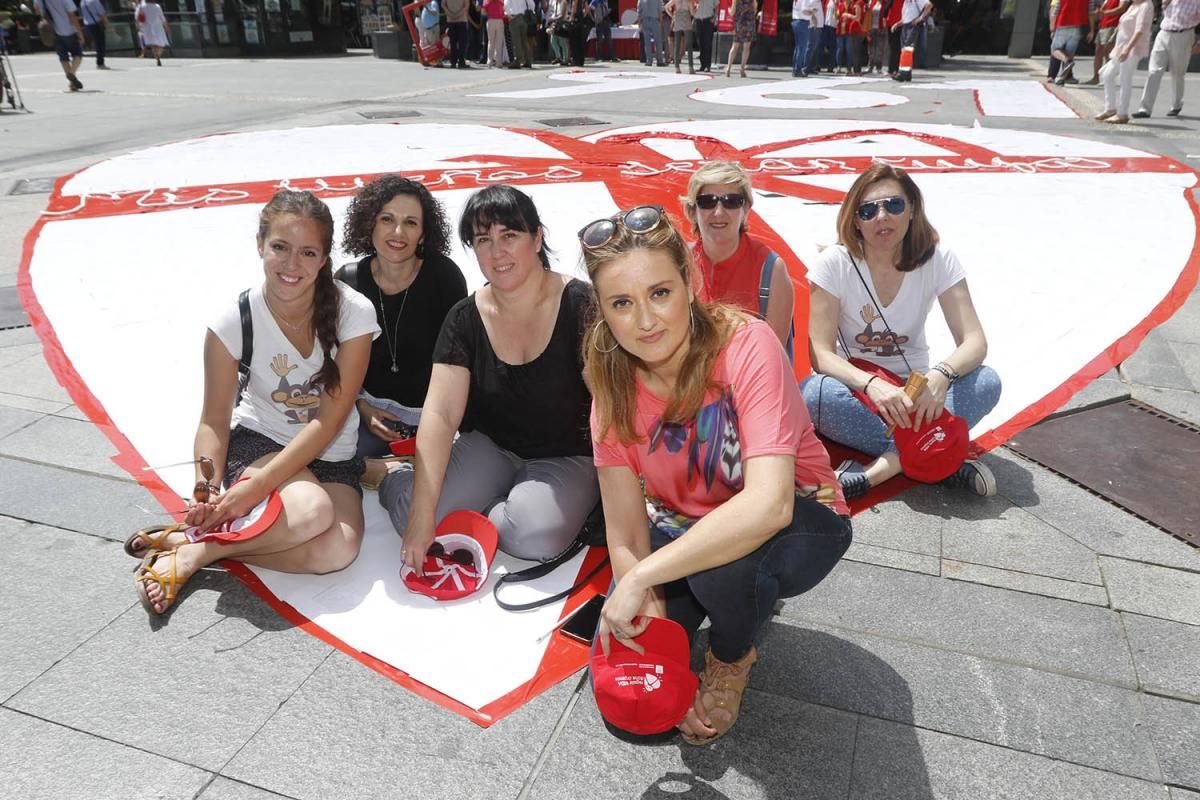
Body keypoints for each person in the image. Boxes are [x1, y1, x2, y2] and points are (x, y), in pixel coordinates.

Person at [579, 205, 851, 744]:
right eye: (622, 304)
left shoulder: (745, 344)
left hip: (800, 514)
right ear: (604, 313)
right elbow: (628, 534)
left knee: (722, 570)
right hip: (680, 529)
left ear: (689, 280)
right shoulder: (611, 392)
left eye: (660, 293)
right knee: (638, 710)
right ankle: (730, 605)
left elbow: (769, 504)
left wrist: (638, 580)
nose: (647, 320)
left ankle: (731, 655)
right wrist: (650, 632)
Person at [132, 190, 380, 615]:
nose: (291, 264)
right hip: (258, 443)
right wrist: (206, 490)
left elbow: (328, 422)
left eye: (307, 252)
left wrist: (254, 495)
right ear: (260, 245)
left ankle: (200, 550)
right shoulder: (234, 320)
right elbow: (213, 421)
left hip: (331, 453)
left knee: (336, 552)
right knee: (311, 511)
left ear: (324, 259)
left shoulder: (352, 313)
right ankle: (206, 544)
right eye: (280, 248)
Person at [378, 184, 598, 566]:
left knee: (535, 538)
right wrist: (420, 515)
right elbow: (441, 414)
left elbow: (613, 408)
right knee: (410, 518)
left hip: (567, 454)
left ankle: (501, 503)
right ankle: (397, 477)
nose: (497, 252)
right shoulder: (464, 317)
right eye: (483, 240)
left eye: (509, 235)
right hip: (492, 447)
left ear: (538, 236)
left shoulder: (582, 305)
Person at [800, 164, 1002, 500]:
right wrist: (871, 384)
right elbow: (820, 355)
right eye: (868, 210)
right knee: (813, 394)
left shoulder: (937, 259)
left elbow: (974, 341)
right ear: (855, 220)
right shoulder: (834, 263)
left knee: (988, 381)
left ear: (912, 209)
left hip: (921, 395)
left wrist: (941, 376)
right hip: (861, 394)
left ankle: (880, 470)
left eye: (893, 205)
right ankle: (940, 455)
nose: (882, 217)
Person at [335, 176, 467, 468]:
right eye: (387, 219)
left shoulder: (444, 278)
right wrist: (361, 407)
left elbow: (459, 360)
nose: (398, 232)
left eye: (410, 222)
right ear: (370, 223)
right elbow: (334, 361)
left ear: (423, 233)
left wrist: (433, 425)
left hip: (432, 413)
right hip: (364, 412)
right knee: (328, 455)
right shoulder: (348, 281)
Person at [683, 161, 795, 355]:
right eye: (707, 201)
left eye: (731, 201)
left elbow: (772, 359)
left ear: (746, 209)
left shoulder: (770, 270)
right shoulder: (678, 264)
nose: (718, 212)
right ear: (693, 210)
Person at [1132, 0, 1200, 118]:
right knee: (1154, 71)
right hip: (1163, 33)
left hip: (1183, 35)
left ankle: (1176, 104)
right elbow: (1157, 9)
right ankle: (1145, 108)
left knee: (1177, 73)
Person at [1095, 0, 1152, 124]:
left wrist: (1128, 48)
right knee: (1107, 75)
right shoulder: (1133, 6)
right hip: (1120, 48)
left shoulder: (1146, 5)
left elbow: (1139, 30)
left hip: (1132, 49)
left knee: (1125, 79)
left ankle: (1122, 113)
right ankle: (1110, 109)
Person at [33, 0, 83, 91]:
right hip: (69, 30)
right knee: (77, 54)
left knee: (63, 58)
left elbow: (37, 12)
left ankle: (72, 84)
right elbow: (72, 16)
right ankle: (71, 74)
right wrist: (79, 33)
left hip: (53, 32)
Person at [1048, 0, 1087, 85]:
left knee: (1054, 49)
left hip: (1062, 25)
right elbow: (1090, 12)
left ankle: (1066, 62)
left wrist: (1052, 27)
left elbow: (1055, 10)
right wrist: (1091, 29)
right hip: (1077, 27)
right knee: (1069, 53)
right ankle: (1062, 78)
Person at [890, 0, 930, 79]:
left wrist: (920, 18)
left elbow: (929, 5)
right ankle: (906, 73)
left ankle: (903, 73)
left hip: (912, 26)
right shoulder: (906, 2)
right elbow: (905, 17)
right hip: (906, 26)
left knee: (907, 49)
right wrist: (897, 24)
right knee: (905, 50)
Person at [724, 0, 754, 77]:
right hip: (749, 24)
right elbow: (755, 7)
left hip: (739, 24)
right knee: (746, 47)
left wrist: (728, 9)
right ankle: (742, 69)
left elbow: (732, 13)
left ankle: (728, 68)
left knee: (734, 47)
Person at [79, 0, 112, 69]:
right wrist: (108, 25)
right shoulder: (94, 1)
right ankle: (100, 63)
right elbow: (102, 14)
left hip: (88, 25)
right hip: (96, 24)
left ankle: (100, 62)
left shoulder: (83, 2)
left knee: (97, 43)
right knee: (101, 44)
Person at [135, 0, 169, 65]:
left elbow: (137, 17)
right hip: (158, 27)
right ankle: (158, 55)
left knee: (153, 44)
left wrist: (138, 26)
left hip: (147, 27)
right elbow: (162, 18)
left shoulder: (141, 6)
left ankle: (157, 57)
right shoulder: (157, 6)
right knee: (161, 43)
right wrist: (166, 26)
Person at [792, 0, 819, 76]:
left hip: (795, 21)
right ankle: (798, 70)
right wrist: (812, 12)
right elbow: (804, 11)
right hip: (802, 22)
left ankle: (795, 69)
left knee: (797, 47)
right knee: (802, 48)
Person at [666, 0, 694, 73]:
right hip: (686, 20)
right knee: (689, 45)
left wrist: (672, 15)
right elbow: (692, 13)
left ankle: (677, 67)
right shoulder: (688, 1)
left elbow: (666, 7)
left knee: (677, 45)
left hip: (678, 19)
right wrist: (696, 9)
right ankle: (690, 67)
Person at [505, 0, 534, 67]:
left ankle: (518, 61)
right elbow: (532, 4)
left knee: (516, 41)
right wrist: (530, 11)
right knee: (524, 40)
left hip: (514, 18)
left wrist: (508, 14)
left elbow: (506, 4)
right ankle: (528, 60)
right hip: (523, 17)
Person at [637, 0, 665, 65]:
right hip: (655, 20)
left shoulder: (640, 0)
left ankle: (649, 60)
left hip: (645, 20)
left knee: (647, 42)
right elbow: (660, 11)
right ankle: (659, 60)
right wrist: (661, 22)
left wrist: (639, 24)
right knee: (658, 42)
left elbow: (639, 12)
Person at [444, 0, 470, 67]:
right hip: (461, 20)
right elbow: (466, 5)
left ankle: (453, 62)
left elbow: (443, 5)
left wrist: (451, 14)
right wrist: (458, 15)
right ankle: (461, 62)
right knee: (462, 43)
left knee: (453, 43)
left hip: (451, 20)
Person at [693, 0, 716, 71]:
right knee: (700, 43)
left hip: (708, 21)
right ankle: (702, 65)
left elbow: (717, 6)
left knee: (708, 43)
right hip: (698, 20)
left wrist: (715, 17)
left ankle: (708, 66)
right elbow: (691, 4)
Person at [866, 0, 886, 73]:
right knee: (871, 49)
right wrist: (867, 30)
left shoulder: (885, 3)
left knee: (880, 50)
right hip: (871, 28)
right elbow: (867, 15)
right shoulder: (872, 2)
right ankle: (870, 67)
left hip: (881, 29)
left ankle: (879, 67)